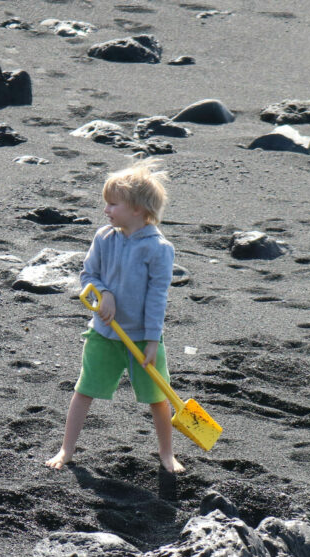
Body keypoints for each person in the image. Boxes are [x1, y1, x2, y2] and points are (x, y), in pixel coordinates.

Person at [46, 158, 184, 474]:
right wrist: (104, 292)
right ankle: (66, 448)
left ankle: (166, 453)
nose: (106, 210)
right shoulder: (104, 237)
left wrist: (152, 339)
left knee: (158, 399)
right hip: (104, 334)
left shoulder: (159, 249)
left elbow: (157, 297)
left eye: (113, 204)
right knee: (84, 390)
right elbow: (88, 274)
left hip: (142, 337)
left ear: (137, 209)